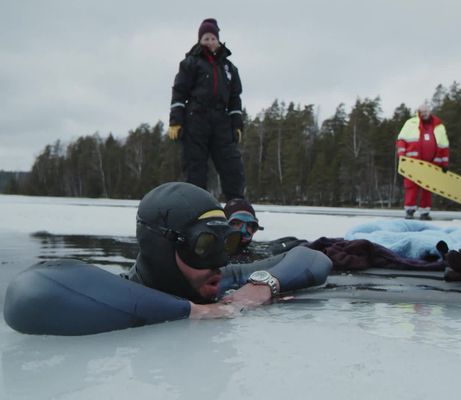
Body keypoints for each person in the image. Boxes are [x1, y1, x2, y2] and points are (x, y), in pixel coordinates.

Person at [125, 182, 332, 319]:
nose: (221, 262)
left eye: (226, 244)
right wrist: (193, 311)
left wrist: (263, 285)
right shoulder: (121, 293)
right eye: (204, 246)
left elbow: (312, 258)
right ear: (161, 249)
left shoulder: (217, 279)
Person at [167, 18, 245, 201]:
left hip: (221, 121)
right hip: (196, 119)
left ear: (218, 40)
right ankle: (195, 208)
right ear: (200, 41)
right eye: (205, 38)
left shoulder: (229, 68)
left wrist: (237, 124)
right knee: (195, 168)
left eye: (212, 38)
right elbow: (179, 92)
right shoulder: (190, 63)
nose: (209, 42)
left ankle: (236, 206)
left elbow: (235, 99)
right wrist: (175, 121)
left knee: (232, 165)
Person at [395, 103, 450, 220]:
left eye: (426, 111)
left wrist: (444, 163)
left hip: (431, 163)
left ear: (429, 112)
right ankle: (409, 211)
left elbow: (444, 145)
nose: (424, 114)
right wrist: (402, 156)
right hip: (412, 163)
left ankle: (425, 212)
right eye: (421, 112)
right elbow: (401, 140)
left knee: (428, 187)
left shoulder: (439, 126)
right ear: (418, 112)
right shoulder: (411, 123)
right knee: (411, 187)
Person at [224, 198, 309, 263]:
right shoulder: (213, 255)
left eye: (250, 225)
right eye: (236, 223)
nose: (243, 231)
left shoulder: (259, 254)